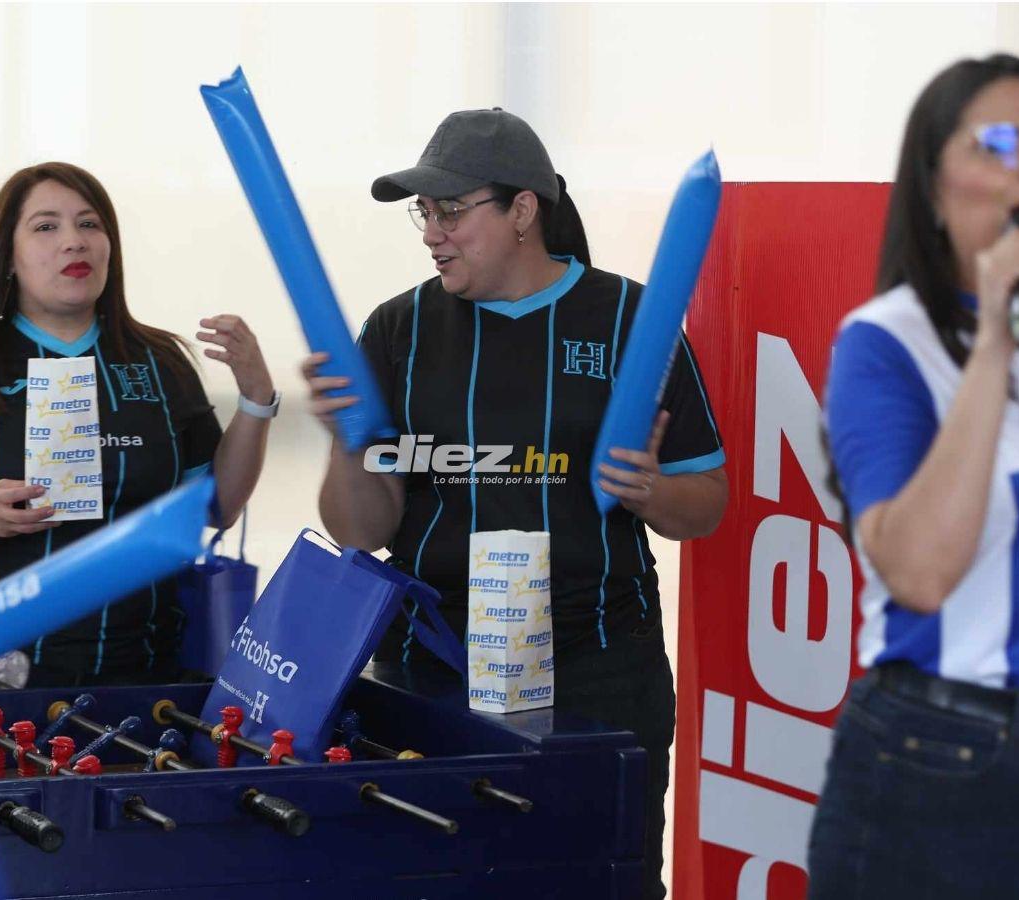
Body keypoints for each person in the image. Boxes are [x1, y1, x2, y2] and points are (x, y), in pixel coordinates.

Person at [302, 108, 727, 900]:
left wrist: (650, 489)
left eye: (451, 210)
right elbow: (362, 531)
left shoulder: (630, 322)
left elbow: (705, 505)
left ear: (523, 210)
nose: (433, 234)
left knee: (602, 882)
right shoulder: (398, 330)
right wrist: (344, 441)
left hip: (598, 668)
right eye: (424, 213)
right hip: (433, 669)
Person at [809, 54, 1019, 898]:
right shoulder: (885, 343)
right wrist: (995, 341)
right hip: (940, 765)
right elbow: (919, 572)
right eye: (999, 143)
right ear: (931, 188)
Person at [0, 162, 276, 688]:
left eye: (89, 224)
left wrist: (256, 400)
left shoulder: (159, 362)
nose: (74, 241)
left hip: (146, 670)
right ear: (8, 256)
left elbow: (216, 507)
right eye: (46, 226)